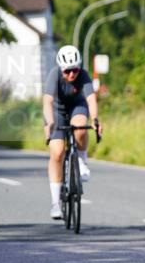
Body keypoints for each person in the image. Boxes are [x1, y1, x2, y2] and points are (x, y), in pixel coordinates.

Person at [43, 45, 102, 219]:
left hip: (77, 106)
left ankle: (82, 160)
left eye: (75, 70)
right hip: (57, 111)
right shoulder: (54, 75)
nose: (71, 75)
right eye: (67, 71)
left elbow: (91, 99)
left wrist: (96, 120)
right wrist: (50, 123)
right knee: (57, 152)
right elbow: (47, 101)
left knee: (81, 129)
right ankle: (55, 203)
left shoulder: (83, 75)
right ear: (61, 69)